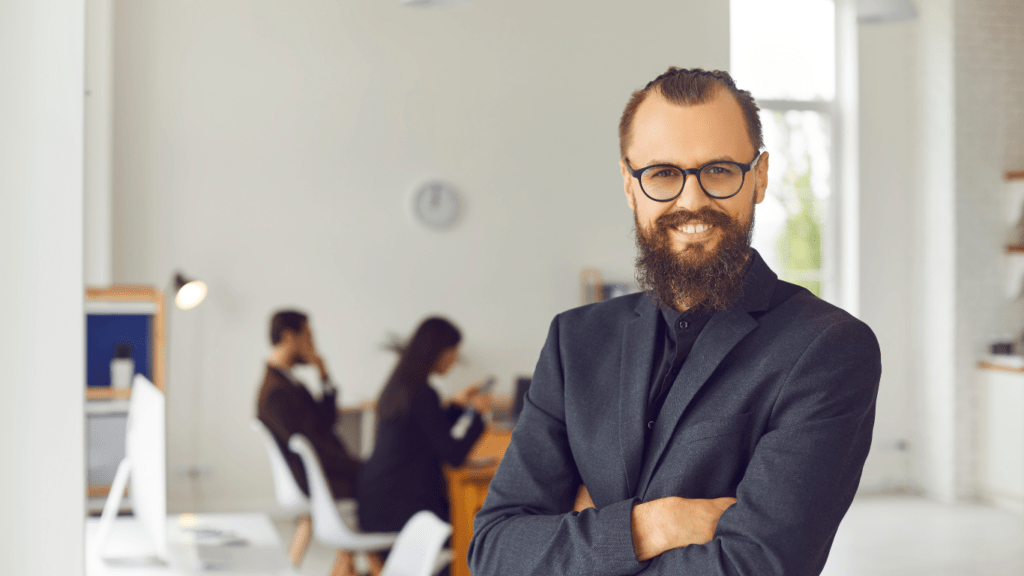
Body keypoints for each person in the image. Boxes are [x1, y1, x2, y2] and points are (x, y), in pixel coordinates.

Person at [468, 68, 881, 576]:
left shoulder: (826, 348)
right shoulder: (575, 341)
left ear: (759, 177)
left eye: (720, 170)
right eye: (663, 173)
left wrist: (575, 543)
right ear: (629, 183)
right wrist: (655, 526)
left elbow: (755, 566)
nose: (691, 200)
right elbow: (493, 550)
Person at [357, 316, 491, 538]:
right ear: (439, 351)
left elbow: (426, 431)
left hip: (377, 501)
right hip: (398, 510)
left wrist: (457, 405)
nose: (455, 359)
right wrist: (477, 416)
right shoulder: (423, 393)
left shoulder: (400, 386)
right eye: (453, 350)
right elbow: (454, 455)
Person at [256, 309, 361, 499]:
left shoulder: (289, 383)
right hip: (319, 479)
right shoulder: (276, 392)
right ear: (289, 337)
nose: (313, 344)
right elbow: (315, 448)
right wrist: (360, 467)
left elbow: (328, 421)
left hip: (325, 472)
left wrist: (324, 374)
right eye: (308, 336)